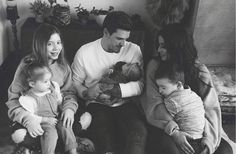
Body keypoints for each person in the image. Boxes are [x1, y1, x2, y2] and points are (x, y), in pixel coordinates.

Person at [141, 23, 234, 154]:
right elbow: (154, 103)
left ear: (176, 47)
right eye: (158, 45)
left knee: (225, 150)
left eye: (163, 46)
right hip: (166, 125)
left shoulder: (199, 71)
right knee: (170, 150)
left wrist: (209, 141)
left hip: (199, 127)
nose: (158, 50)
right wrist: (175, 133)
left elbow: (211, 108)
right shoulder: (154, 66)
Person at [6, 23, 92, 154]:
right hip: (34, 117)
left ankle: (46, 146)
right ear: (40, 45)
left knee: (85, 118)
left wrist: (69, 109)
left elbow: (68, 93)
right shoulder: (27, 65)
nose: (56, 48)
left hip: (55, 117)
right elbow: (13, 99)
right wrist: (28, 120)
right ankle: (58, 144)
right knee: (18, 134)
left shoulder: (63, 67)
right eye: (50, 44)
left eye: (58, 42)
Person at [72, 11, 147, 154]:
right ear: (106, 32)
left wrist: (116, 90)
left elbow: (140, 85)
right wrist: (87, 93)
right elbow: (75, 83)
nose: (124, 44)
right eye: (119, 38)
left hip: (126, 103)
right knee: (104, 136)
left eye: (126, 39)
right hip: (96, 104)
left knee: (138, 132)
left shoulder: (134, 50)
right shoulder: (84, 52)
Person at [13, 62, 78, 154]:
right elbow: (30, 116)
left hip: (56, 118)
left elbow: (59, 101)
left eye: (49, 80)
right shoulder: (29, 98)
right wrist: (45, 119)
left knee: (66, 127)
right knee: (51, 135)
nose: (49, 83)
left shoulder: (52, 89)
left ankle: (72, 150)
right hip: (44, 122)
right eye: (45, 81)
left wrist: (64, 108)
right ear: (32, 84)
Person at [155, 63, 205, 154]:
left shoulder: (172, 101)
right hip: (200, 137)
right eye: (158, 87)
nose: (159, 91)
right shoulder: (194, 95)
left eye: (163, 87)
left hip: (185, 140)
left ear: (178, 85)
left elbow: (162, 118)